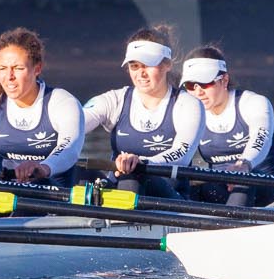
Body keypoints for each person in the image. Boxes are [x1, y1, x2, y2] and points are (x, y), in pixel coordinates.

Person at [0, 27, 85, 189]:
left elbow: (69, 149)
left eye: (18, 68)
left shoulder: (62, 102)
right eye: (2, 68)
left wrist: (42, 167)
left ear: (37, 69)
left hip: (53, 195)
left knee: (36, 183)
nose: (9, 77)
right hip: (6, 194)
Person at [80, 25, 203, 198]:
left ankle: (124, 221)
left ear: (167, 64)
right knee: (77, 172)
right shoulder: (114, 100)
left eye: (148, 65)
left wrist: (142, 162)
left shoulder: (187, 104)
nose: (141, 73)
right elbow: (74, 128)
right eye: (135, 66)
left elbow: (182, 153)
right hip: (120, 191)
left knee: (133, 175)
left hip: (169, 198)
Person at [178, 45, 274, 208]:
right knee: (185, 181)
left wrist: (244, 164)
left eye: (205, 84)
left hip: (267, 194)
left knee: (244, 178)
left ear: (224, 80)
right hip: (222, 190)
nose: (198, 92)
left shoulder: (253, 103)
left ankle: (226, 224)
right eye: (191, 86)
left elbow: (260, 139)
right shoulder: (189, 112)